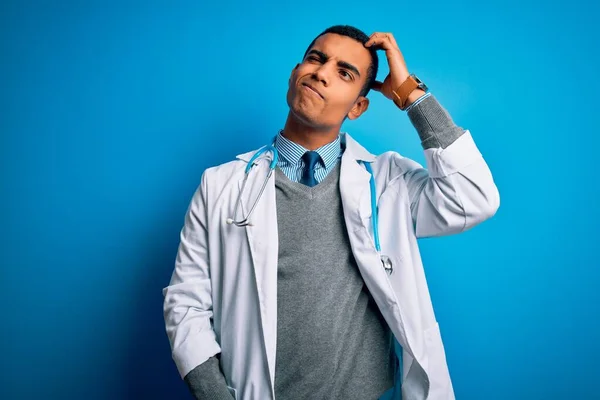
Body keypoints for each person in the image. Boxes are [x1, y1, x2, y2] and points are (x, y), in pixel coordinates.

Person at [162, 24, 499, 400]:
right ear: (295, 72)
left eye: (344, 72)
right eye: (315, 59)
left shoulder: (388, 182)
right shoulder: (220, 185)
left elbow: (473, 197)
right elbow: (185, 304)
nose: (321, 73)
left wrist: (410, 95)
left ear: (358, 106)